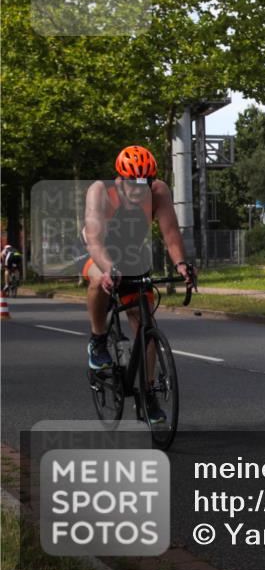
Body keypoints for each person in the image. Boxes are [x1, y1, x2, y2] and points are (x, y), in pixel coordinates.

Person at [75, 146, 196, 423]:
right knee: (97, 280)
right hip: (99, 251)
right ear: (119, 178)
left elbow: (170, 231)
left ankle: (148, 395)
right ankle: (98, 341)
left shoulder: (158, 192)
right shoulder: (100, 191)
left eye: (144, 184)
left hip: (132, 255)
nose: (137, 191)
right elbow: (94, 238)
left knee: (146, 326)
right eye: (131, 184)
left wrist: (180, 264)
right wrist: (108, 270)